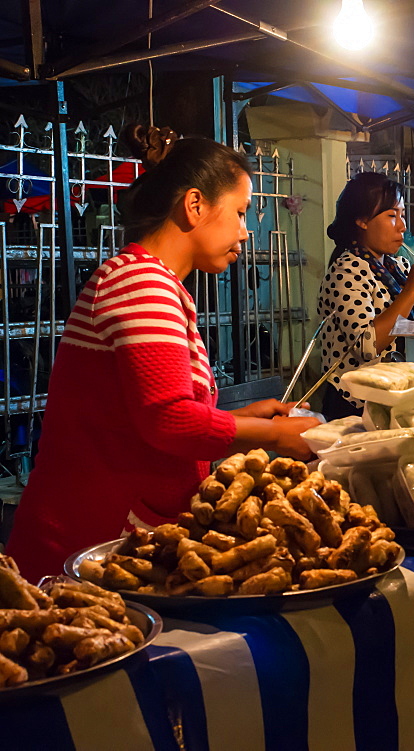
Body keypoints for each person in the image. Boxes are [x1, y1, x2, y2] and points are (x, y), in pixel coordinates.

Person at [6, 131, 322, 581]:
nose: (244, 231)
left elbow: (150, 416)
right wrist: (274, 438)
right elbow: (168, 421)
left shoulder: (151, 282)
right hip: (83, 552)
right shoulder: (142, 284)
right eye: (238, 212)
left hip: (114, 543)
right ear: (195, 205)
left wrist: (249, 420)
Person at [317, 173, 414, 419]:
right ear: (362, 220)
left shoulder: (397, 267)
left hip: (394, 396)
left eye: (403, 215)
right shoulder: (347, 271)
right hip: (355, 405)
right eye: (391, 216)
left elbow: (409, 326)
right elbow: (368, 345)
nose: (402, 226)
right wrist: (412, 291)